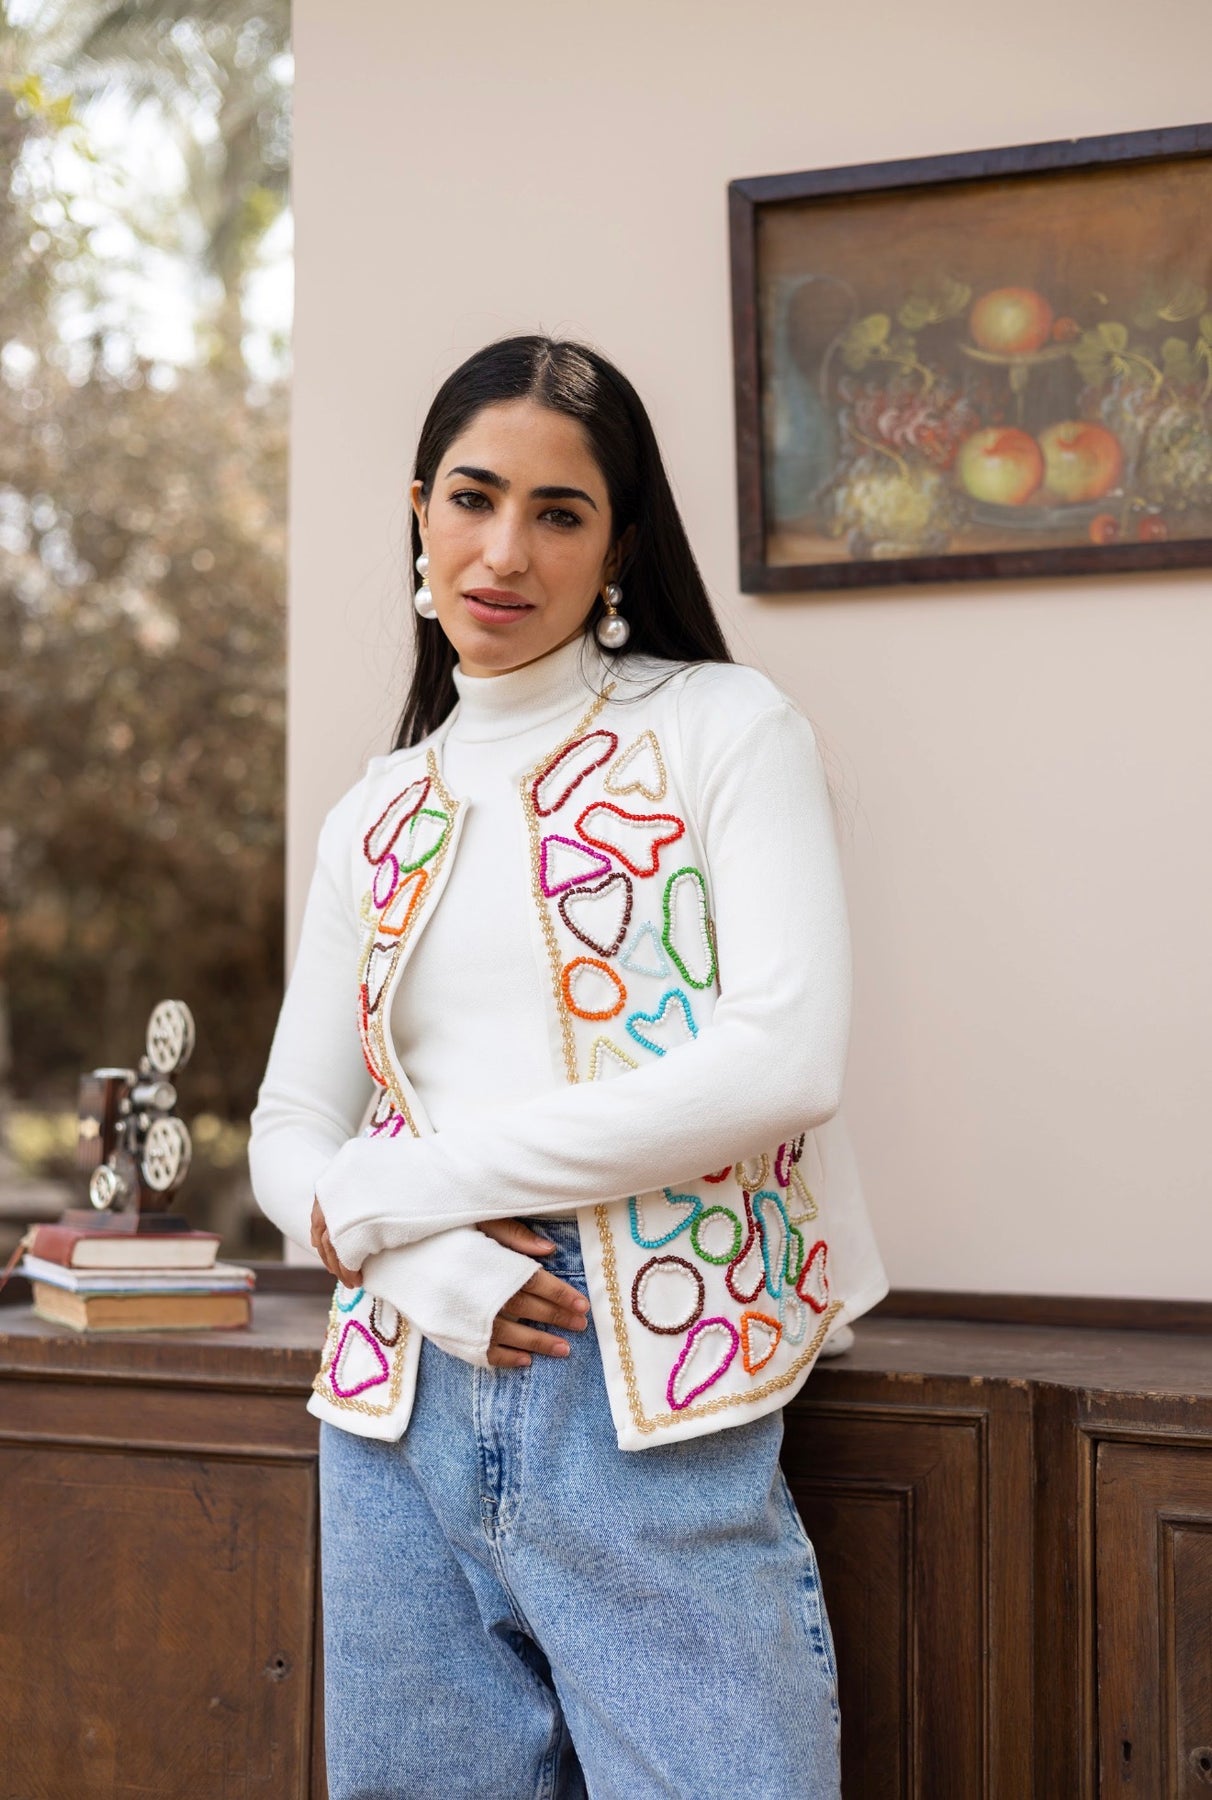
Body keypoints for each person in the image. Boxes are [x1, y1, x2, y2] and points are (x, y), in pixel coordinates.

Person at [248, 334, 888, 1799]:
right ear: (420, 510)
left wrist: (407, 1190)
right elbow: (290, 1123)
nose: (504, 552)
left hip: (654, 1374)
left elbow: (784, 1058)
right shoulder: (376, 810)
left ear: (618, 546)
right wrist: (416, 1260)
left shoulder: (723, 727)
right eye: (474, 499)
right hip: (394, 1395)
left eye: (558, 513)